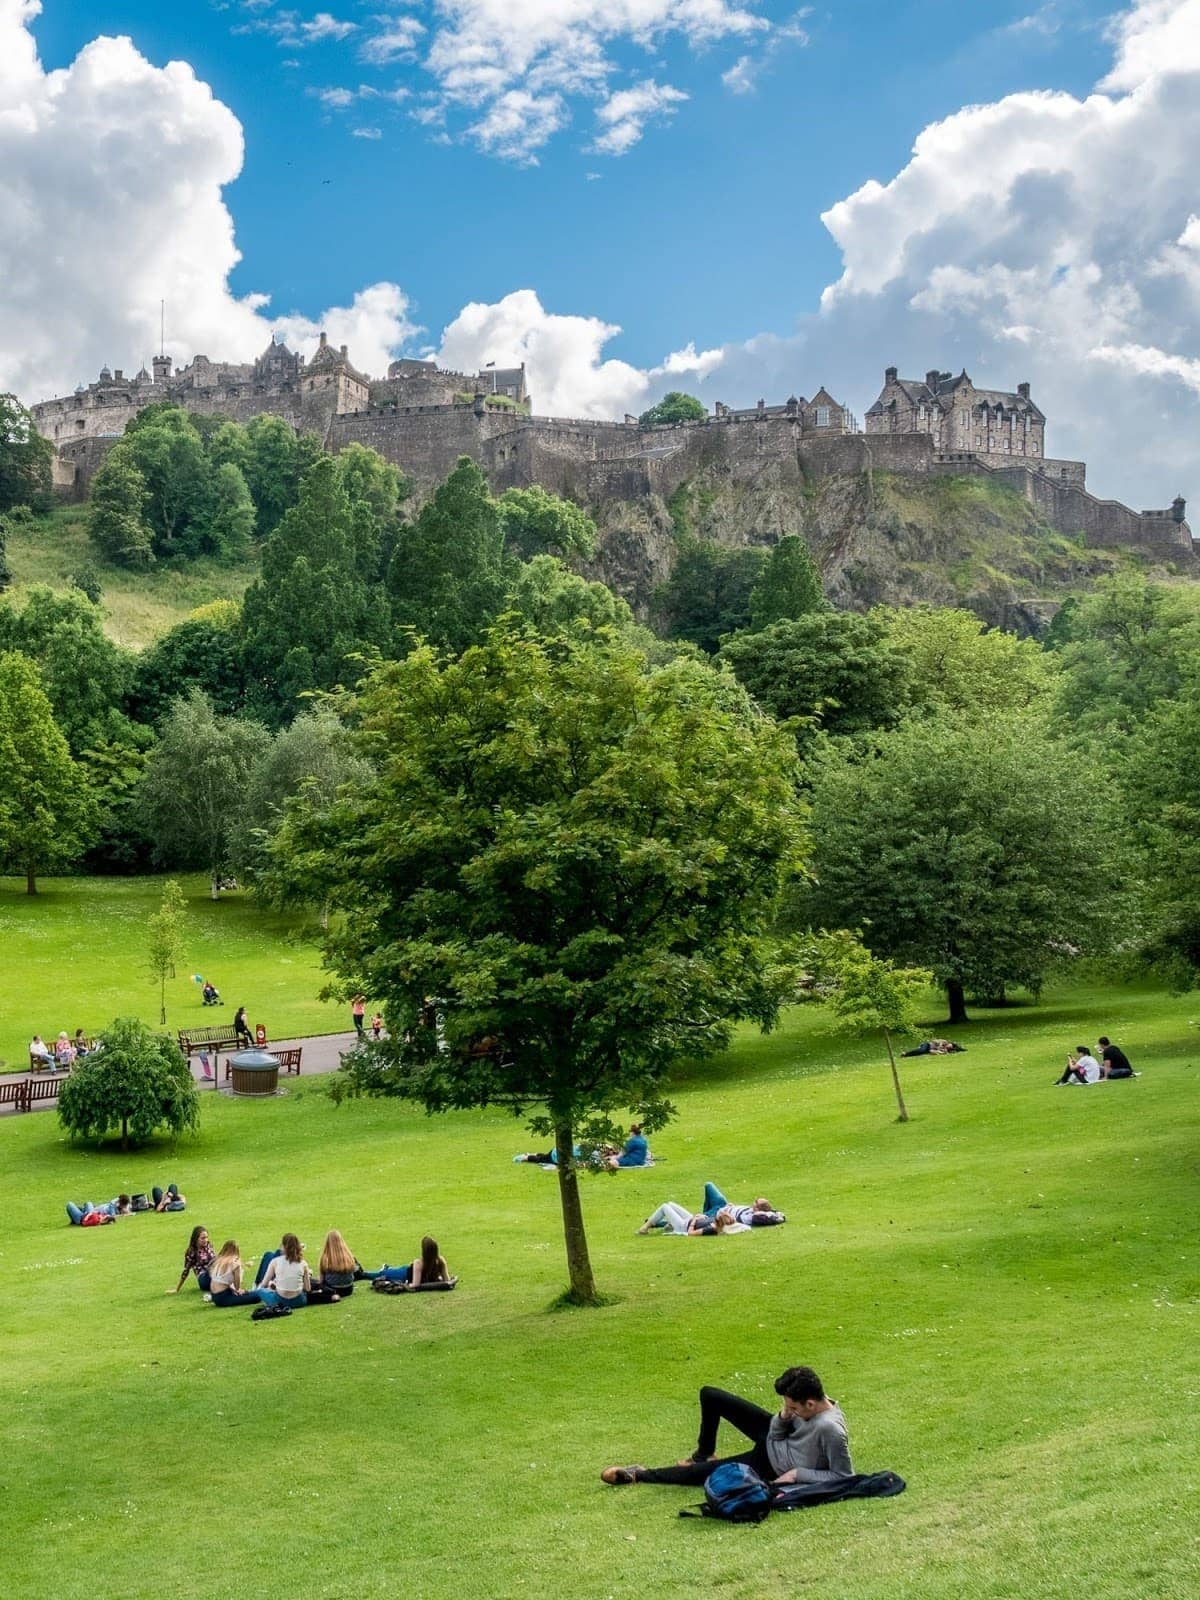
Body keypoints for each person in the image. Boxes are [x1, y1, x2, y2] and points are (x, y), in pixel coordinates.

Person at [601, 1365, 853, 1488]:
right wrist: (783, 1417)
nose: (790, 1411)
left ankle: (639, 1475)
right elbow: (781, 1427)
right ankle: (703, 1452)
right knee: (710, 1395)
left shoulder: (830, 1429)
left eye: (794, 1408)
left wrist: (797, 1474)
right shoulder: (810, 1401)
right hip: (773, 1437)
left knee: (702, 1474)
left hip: (771, 1462)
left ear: (810, 1404)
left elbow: (843, 1476)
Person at [364, 1235, 452, 1286]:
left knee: (383, 1274)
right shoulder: (440, 1261)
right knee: (386, 1272)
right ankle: (384, 1268)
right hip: (406, 1271)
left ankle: (364, 1274)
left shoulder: (420, 1263)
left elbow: (415, 1285)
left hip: (404, 1275)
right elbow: (447, 1280)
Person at [256, 1233, 311, 1309]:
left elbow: (264, 1284)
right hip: (299, 1301)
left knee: (260, 1291)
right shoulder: (303, 1263)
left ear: (283, 1246)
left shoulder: (275, 1261)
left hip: (280, 1300)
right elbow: (308, 1288)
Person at [307, 1229, 363, 1304]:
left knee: (311, 1281)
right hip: (348, 1289)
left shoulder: (325, 1258)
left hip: (332, 1289)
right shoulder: (349, 1256)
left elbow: (321, 1280)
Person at [208, 1240, 266, 1307]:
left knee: (248, 1293)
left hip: (215, 1296)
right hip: (223, 1297)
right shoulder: (235, 1264)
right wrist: (240, 1273)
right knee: (257, 1296)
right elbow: (237, 1286)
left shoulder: (218, 1261)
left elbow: (221, 1281)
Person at [700, 1183, 786, 1227]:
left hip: (717, 1215)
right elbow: (776, 1213)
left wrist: (727, 1211)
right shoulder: (758, 1211)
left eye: (756, 1202)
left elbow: (766, 1219)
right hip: (723, 1205)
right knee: (709, 1185)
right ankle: (705, 1212)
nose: (753, 1201)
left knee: (693, 1219)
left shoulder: (752, 1217)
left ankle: (704, 1215)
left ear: (757, 1209)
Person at [636, 1202, 744, 1236]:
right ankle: (669, 1225)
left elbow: (691, 1233)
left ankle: (644, 1228)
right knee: (670, 1203)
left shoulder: (711, 1229)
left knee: (665, 1207)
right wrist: (702, 1216)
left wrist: (693, 1220)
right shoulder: (719, 1222)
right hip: (690, 1219)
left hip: (683, 1226)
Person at [169, 1226, 215, 1293]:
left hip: (214, 1273)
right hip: (203, 1277)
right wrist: (177, 1289)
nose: (206, 1240)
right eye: (203, 1238)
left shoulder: (209, 1246)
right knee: (212, 1267)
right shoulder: (192, 1252)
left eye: (207, 1237)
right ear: (196, 1239)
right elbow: (186, 1271)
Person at [66, 1194, 132, 1225]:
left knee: (70, 1204)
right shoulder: (114, 1206)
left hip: (83, 1218)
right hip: (90, 1213)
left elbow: (113, 1215)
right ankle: (81, 1211)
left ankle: (78, 1215)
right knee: (88, 1204)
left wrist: (125, 1213)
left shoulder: (113, 1207)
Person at [901, 1039, 966, 1057]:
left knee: (920, 1052)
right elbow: (934, 1041)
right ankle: (906, 1053)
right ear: (949, 1043)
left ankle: (906, 1055)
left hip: (929, 1049)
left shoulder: (944, 1050)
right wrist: (939, 1044)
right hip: (928, 1045)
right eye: (949, 1045)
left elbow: (931, 1051)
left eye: (950, 1048)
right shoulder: (944, 1041)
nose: (948, 1046)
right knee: (921, 1050)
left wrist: (940, 1052)